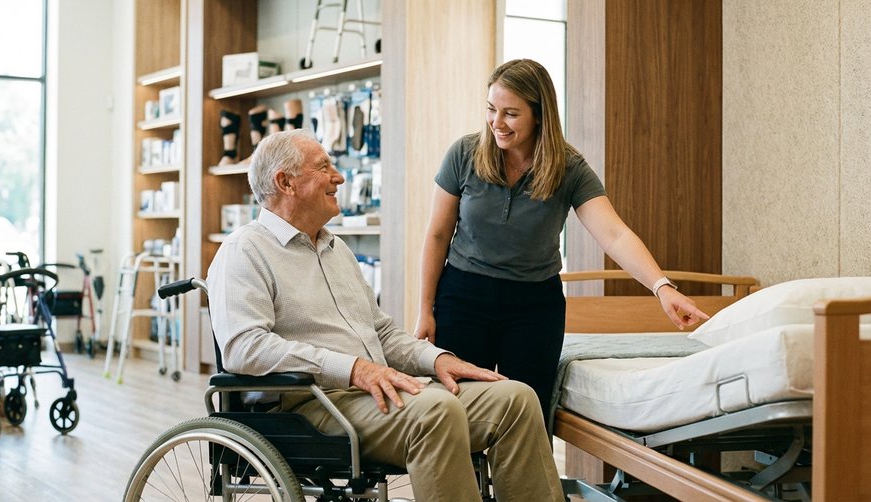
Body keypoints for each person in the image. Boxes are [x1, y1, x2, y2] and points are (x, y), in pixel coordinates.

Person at [207, 129, 566, 502]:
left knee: (516, 399)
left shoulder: (335, 249)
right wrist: (354, 369)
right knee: (435, 411)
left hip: (373, 394)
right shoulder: (243, 251)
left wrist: (438, 358)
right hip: (309, 406)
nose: (339, 177)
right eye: (324, 167)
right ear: (286, 182)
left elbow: (381, 332)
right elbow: (244, 349)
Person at [414, 59, 709, 428]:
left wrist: (662, 287)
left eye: (510, 113)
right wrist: (425, 309)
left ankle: (517, 488)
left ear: (539, 116)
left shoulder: (569, 169)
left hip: (533, 307)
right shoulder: (464, 154)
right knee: (457, 412)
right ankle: (463, 488)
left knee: (526, 420)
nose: (496, 122)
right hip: (463, 298)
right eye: (491, 109)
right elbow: (438, 234)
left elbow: (614, 234)